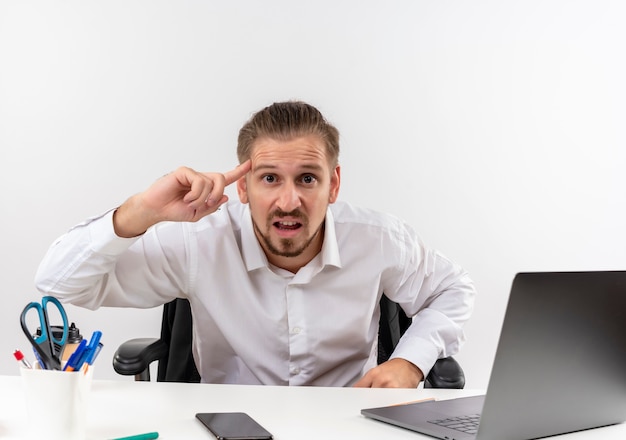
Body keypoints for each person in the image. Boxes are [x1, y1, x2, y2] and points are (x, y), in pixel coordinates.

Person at [35, 101, 475, 388]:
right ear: (243, 188)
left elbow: (454, 290)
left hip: (347, 424)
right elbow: (59, 282)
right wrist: (140, 211)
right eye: (269, 179)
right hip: (229, 425)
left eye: (307, 178)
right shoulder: (198, 243)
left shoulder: (379, 239)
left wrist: (410, 362)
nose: (289, 201)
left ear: (333, 184)